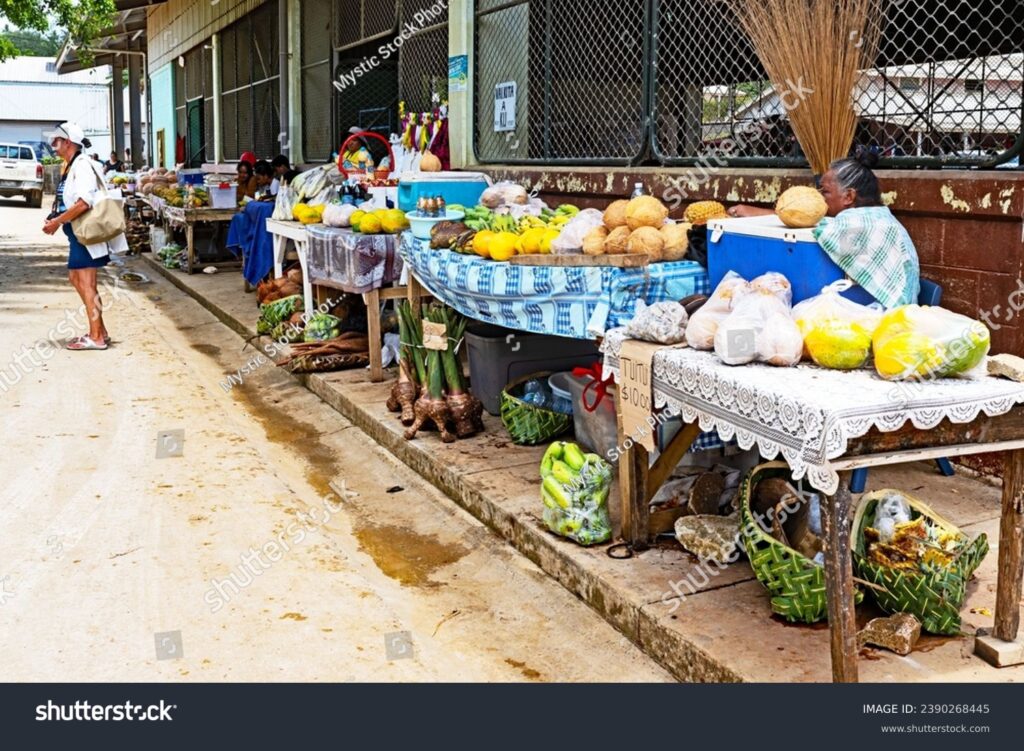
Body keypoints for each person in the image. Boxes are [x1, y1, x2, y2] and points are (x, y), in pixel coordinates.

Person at [725, 149, 920, 308]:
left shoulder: (860, 223)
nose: (819, 196)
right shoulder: (877, 218)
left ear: (848, 197)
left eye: (825, 191)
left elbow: (815, 226)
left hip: (887, 314)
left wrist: (755, 212)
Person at [41, 122, 129, 351]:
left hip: (86, 234)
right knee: (76, 278)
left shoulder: (81, 165)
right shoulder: (71, 166)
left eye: (56, 141)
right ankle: (100, 330)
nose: (53, 145)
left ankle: (97, 337)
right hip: (78, 234)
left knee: (86, 283)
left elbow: (83, 203)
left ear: (68, 142)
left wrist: (57, 222)